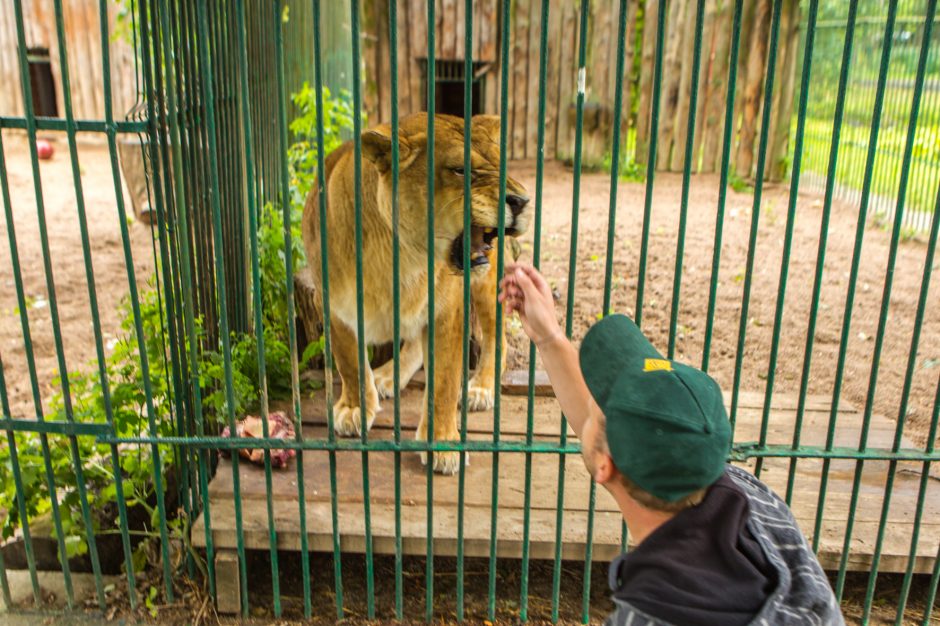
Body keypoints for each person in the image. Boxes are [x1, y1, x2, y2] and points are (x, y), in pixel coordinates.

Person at [498, 263, 844, 626]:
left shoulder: (648, 618)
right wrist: (549, 336)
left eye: (598, 403)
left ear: (605, 464)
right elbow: (605, 431)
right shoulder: (754, 499)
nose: (590, 399)